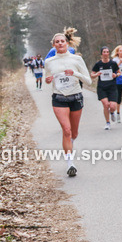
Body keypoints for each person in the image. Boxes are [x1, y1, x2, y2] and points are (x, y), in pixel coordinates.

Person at [44, 29, 91, 177]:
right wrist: (47, 80)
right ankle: (70, 163)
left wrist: (74, 73)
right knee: (66, 130)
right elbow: (48, 78)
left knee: (74, 133)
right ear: (53, 45)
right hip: (59, 98)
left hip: (76, 97)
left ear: (67, 43)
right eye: (57, 42)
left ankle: (70, 145)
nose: (59, 43)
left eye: (62, 41)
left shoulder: (77, 59)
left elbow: (88, 80)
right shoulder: (49, 61)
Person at [91, 47, 120, 130]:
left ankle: (112, 112)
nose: (106, 53)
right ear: (101, 54)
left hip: (112, 87)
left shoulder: (113, 63)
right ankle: (107, 123)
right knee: (106, 104)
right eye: (104, 52)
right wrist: (96, 74)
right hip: (102, 87)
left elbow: (119, 72)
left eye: (107, 52)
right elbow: (92, 75)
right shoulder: (98, 64)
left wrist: (116, 75)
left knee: (113, 106)